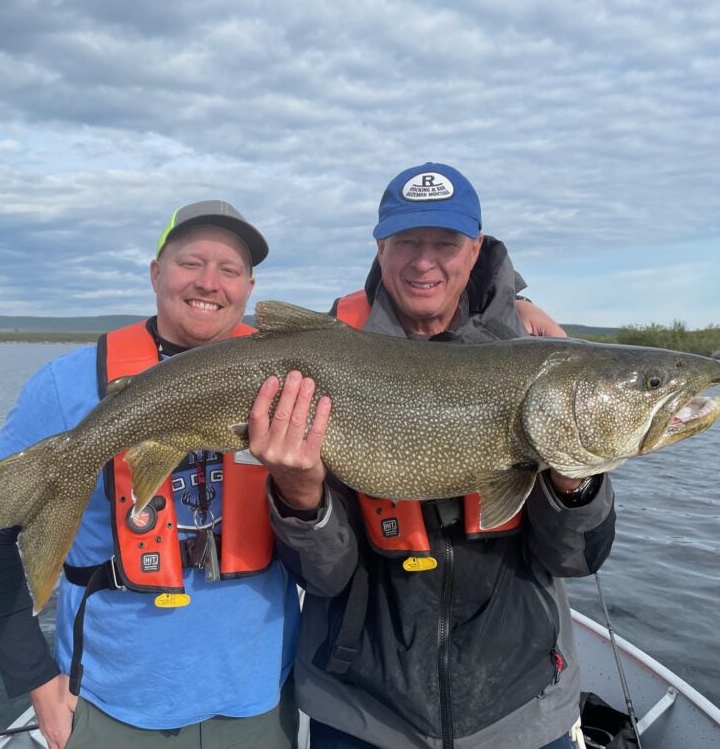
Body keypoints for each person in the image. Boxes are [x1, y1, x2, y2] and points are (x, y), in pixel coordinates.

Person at [249, 162, 617, 749]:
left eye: (444, 243)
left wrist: (574, 485)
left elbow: (576, 560)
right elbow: (322, 577)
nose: (424, 261)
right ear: (380, 248)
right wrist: (300, 496)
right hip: (361, 713)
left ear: (475, 250)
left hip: (520, 712)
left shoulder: (545, 358)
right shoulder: (327, 355)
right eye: (406, 243)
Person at [0, 201, 303, 749]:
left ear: (250, 286)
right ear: (155, 272)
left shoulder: (289, 382)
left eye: (229, 270)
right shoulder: (64, 385)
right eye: (191, 263)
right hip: (107, 705)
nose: (209, 283)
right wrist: (38, 682)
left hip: (257, 702)